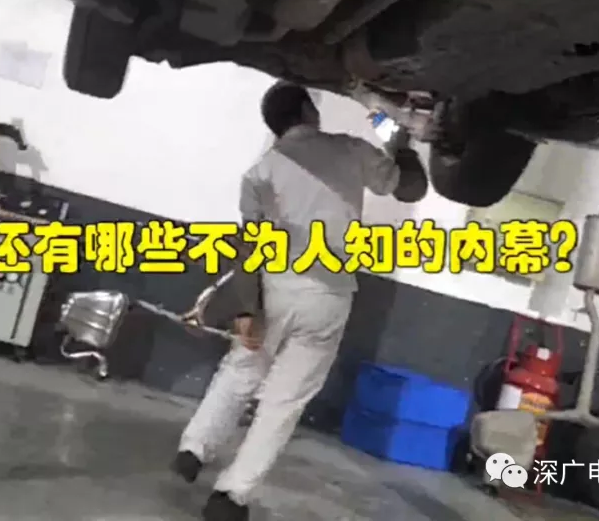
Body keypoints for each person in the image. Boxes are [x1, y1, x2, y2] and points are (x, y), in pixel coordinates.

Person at [171, 82, 428, 521]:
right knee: (284, 401)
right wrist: (402, 144)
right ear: (310, 111)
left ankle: (193, 449)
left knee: (242, 368)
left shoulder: (260, 172)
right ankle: (230, 497)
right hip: (328, 294)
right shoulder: (349, 150)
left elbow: (248, 246)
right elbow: (410, 189)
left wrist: (246, 309)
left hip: (274, 286)